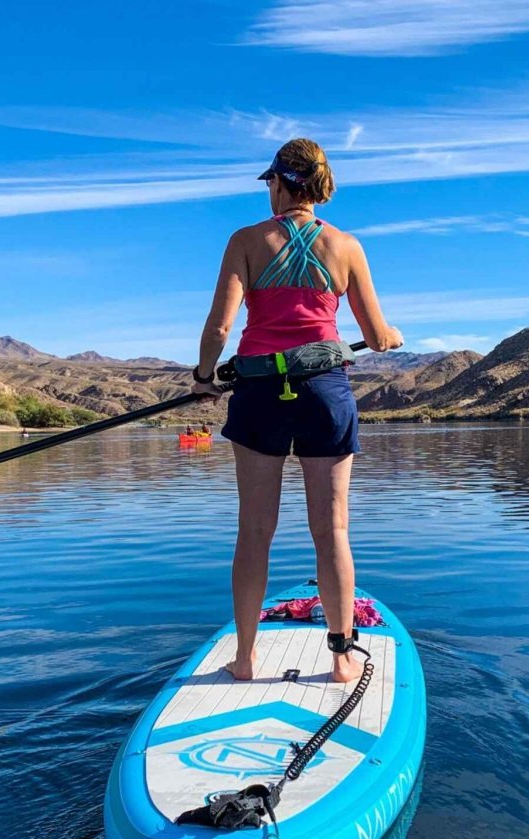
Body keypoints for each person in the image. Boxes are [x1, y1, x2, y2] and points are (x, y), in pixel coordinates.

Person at [191, 137, 403, 683]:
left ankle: (243, 658)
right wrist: (390, 336)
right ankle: (340, 657)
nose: (269, 191)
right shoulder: (347, 247)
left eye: (270, 182)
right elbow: (376, 335)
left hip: (260, 396)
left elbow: (219, 328)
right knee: (331, 528)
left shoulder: (244, 240)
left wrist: (202, 378)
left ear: (283, 183)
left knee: (254, 530)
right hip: (324, 394)